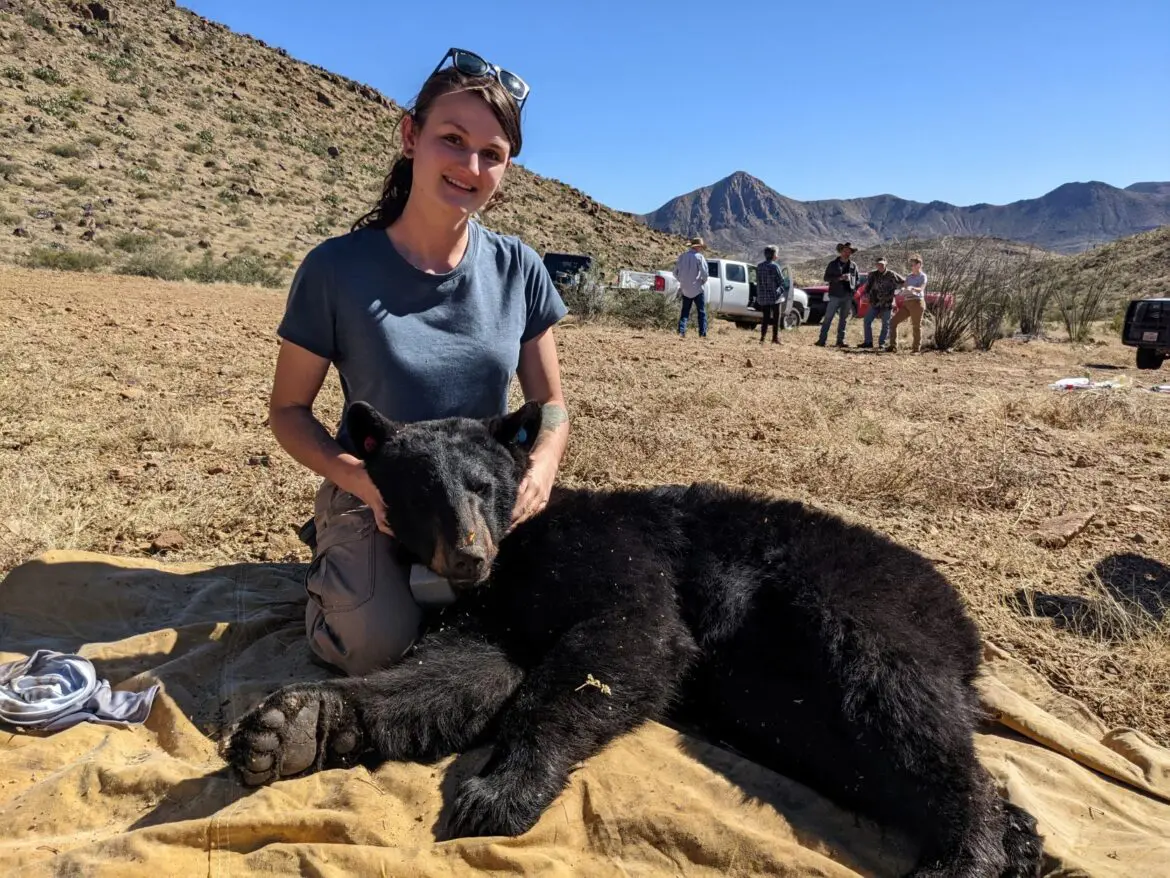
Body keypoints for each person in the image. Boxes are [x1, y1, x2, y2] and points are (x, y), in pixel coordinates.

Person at [268, 48, 569, 676]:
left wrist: (538, 473)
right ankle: (339, 561)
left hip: (485, 497)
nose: (470, 166)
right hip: (379, 493)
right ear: (411, 136)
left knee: (555, 629)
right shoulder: (335, 269)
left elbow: (552, 409)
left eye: (492, 154)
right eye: (453, 140)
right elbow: (289, 411)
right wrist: (357, 480)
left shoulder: (520, 268)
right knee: (374, 650)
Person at [817, 242, 859, 348]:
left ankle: (840, 341)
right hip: (835, 294)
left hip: (848, 295)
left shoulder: (853, 266)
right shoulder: (833, 264)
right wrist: (839, 278)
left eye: (849, 251)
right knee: (828, 318)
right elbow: (826, 278)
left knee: (843, 319)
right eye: (845, 251)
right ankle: (822, 340)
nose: (847, 253)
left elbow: (857, 279)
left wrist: (854, 288)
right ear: (841, 251)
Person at [887, 254, 928, 353]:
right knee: (893, 322)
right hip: (907, 302)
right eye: (911, 265)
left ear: (919, 265)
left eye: (913, 264)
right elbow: (904, 286)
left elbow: (921, 288)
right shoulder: (909, 276)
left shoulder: (923, 276)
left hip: (917, 302)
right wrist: (901, 290)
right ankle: (893, 346)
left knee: (916, 326)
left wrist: (913, 288)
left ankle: (916, 349)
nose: (912, 267)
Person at [860, 257, 903, 349]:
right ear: (876, 265)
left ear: (885, 264)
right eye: (878, 264)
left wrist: (899, 291)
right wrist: (866, 295)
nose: (880, 266)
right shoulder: (872, 274)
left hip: (887, 303)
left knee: (886, 324)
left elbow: (903, 282)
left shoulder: (892, 274)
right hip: (874, 302)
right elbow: (867, 287)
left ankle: (882, 343)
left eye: (882, 264)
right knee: (867, 321)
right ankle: (868, 342)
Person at [675, 237, 710, 338]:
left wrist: (682, 281)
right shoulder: (699, 257)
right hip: (697, 288)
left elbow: (675, 272)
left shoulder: (682, 257)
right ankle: (702, 333)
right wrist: (702, 281)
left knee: (685, 311)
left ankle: (681, 331)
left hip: (685, 288)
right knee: (701, 311)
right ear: (698, 247)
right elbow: (704, 273)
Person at [755, 245, 788, 344]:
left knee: (765, 317)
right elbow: (782, 282)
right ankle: (775, 338)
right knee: (776, 318)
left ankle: (762, 338)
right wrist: (780, 291)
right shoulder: (775, 266)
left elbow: (758, 281)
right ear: (774, 255)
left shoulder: (759, 266)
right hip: (775, 297)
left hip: (763, 296)